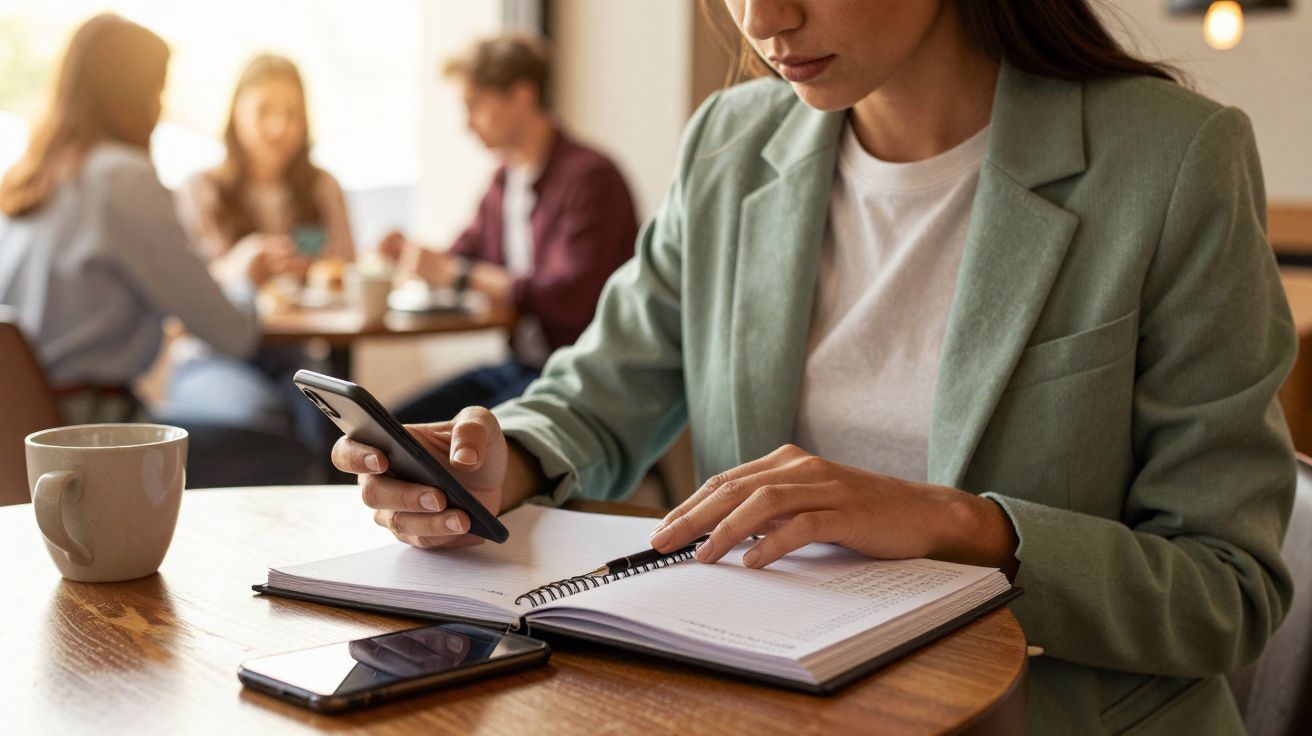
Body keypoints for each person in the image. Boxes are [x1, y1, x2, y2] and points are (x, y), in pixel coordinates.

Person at [332, 1, 1295, 732]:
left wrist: (961, 524)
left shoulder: (1171, 162)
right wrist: (503, 461)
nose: (762, 20)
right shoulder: (731, 143)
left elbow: (1228, 593)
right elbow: (603, 384)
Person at [0, 14, 311, 486]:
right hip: (91, 443)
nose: (160, 107)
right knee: (299, 454)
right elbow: (231, 334)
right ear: (132, 92)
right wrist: (245, 273)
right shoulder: (123, 178)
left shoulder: (30, 179)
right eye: (157, 89)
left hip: (20, 442)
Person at [378, 34, 638, 424]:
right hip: (524, 366)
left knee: (443, 448)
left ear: (522, 96)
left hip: (583, 374)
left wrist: (461, 276)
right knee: (387, 429)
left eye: (475, 105)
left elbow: (569, 298)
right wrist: (415, 256)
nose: (467, 124)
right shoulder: (505, 180)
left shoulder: (590, 178)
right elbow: (463, 253)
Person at [172, 54, 356, 473]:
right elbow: (183, 297)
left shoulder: (320, 187)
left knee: (339, 431)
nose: (279, 127)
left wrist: (320, 274)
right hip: (214, 356)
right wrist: (241, 266)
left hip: (296, 359)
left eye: (292, 113)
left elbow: (348, 273)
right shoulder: (202, 189)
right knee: (262, 423)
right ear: (236, 112)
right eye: (264, 111)